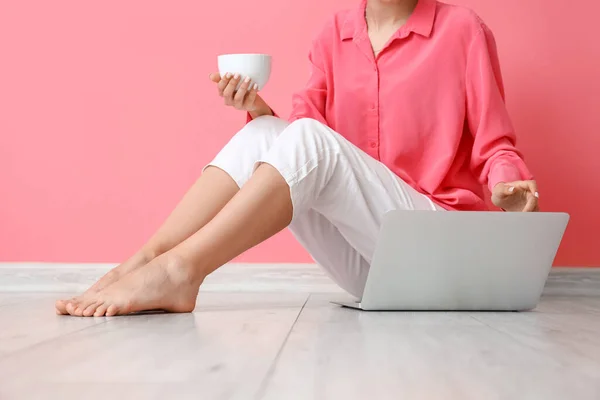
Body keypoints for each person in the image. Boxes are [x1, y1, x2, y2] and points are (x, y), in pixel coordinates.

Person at [55, 0, 539, 317]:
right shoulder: (333, 33)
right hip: (370, 266)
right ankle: (146, 259)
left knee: (304, 138)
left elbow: (496, 145)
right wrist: (258, 112)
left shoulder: (462, 30)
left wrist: (507, 184)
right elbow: (299, 137)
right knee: (269, 130)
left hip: (432, 244)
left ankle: (182, 271)